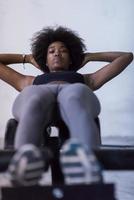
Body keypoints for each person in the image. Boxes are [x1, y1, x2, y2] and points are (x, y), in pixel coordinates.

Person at [0, 26, 133, 186]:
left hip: (74, 95)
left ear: (71, 58)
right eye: (51, 51)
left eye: (63, 50)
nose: (57, 53)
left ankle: (86, 164)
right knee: (34, 96)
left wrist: (89, 57)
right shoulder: (29, 81)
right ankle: (25, 165)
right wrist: (27, 58)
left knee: (73, 96)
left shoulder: (87, 79)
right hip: (40, 98)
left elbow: (126, 56)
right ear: (44, 60)